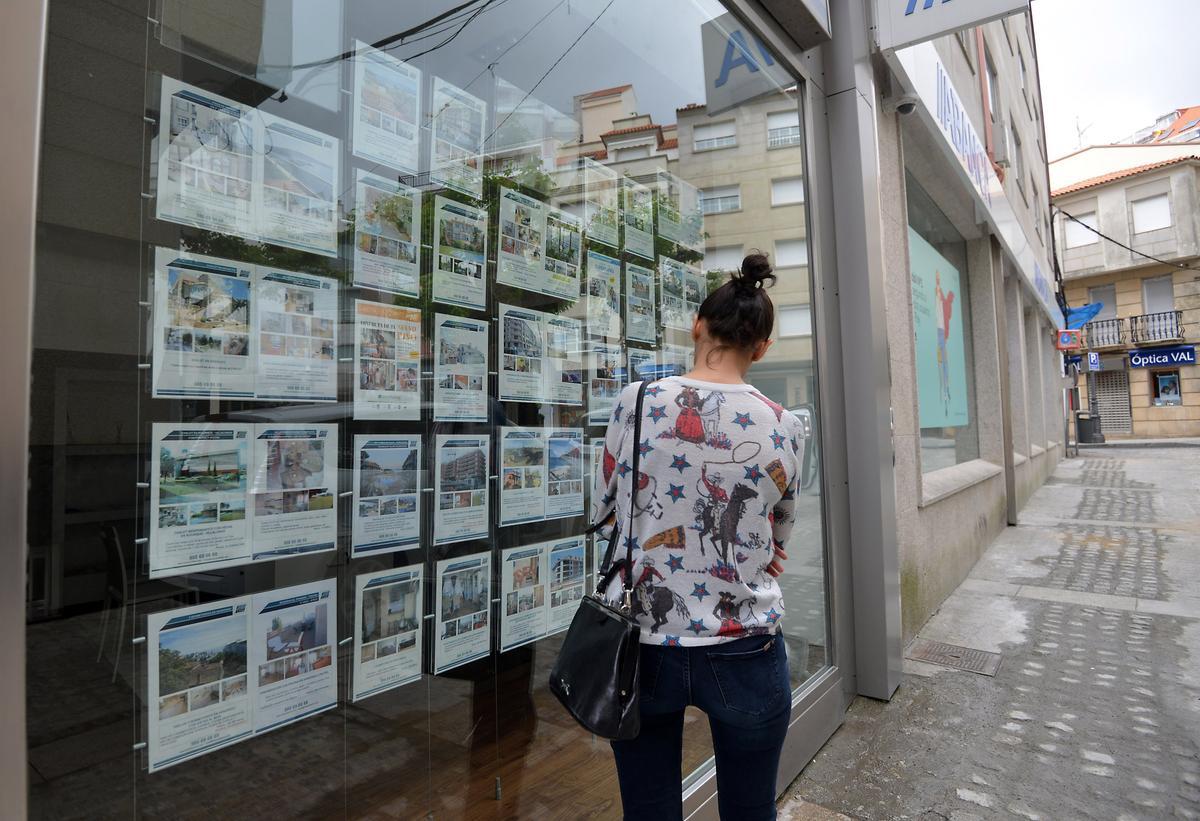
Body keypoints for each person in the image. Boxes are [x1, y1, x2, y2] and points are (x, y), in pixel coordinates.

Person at [591, 252, 806, 821]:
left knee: (649, 809)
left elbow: (606, 508)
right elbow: (779, 530)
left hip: (643, 642)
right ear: (760, 348)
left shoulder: (634, 402)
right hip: (745, 641)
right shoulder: (785, 424)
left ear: (697, 325)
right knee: (749, 809)